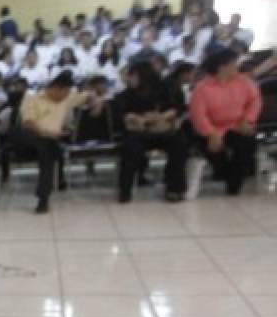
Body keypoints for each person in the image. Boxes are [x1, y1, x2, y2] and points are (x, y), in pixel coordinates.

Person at [11, 72, 99, 213]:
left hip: (47, 142)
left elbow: (88, 95)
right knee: (46, 144)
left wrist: (95, 101)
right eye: (65, 93)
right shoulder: (32, 97)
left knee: (48, 150)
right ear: (56, 88)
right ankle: (44, 197)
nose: (66, 96)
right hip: (27, 137)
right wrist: (47, 133)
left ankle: (43, 199)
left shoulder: (66, 98)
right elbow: (29, 122)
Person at [190, 49, 261, 196]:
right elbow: (198, 115)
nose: (237, 67)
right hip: (212, 128)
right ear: (222, 67)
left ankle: (234, 184)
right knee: (213, 149)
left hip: (237, 125)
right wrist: (211, 133)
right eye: (233, 64)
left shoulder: (244, 82)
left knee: (246, 143)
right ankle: (225, 175)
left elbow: (255, 101)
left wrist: (248, 120)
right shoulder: (202, 88)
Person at [114, 61, 188, 203]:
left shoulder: (165, 90)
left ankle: (174, 188)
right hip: (139, 132)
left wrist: (159, 117)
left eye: (133, 76)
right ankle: (125, 190)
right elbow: (121, 114)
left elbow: (176, 108)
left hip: (162, 129)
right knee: (129, 147)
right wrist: (136, 118)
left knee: (179, 143)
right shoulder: (127, 94)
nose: (130, 79)